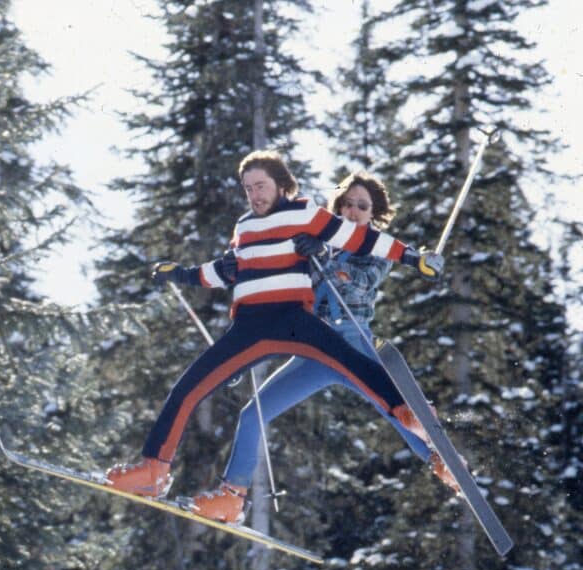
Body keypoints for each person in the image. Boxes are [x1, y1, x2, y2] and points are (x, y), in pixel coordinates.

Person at [103, 150, 446, 524]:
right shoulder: (247, 226)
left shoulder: (307, 216)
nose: (255, 195)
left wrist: (414, 258)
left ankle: (427, 436)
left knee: (362, 369)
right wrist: (184, 274)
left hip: (314, 324)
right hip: (252, 326)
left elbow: (365, 242)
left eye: (261, 186)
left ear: (282, 185)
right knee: (196, 390)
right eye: (248, 188)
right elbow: (225, 268)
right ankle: (168, 475)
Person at [214, 171, 460, 523]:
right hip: (315, 351)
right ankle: (230, 497)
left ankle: (442, 460)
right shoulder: (316, 239)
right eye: (347, 204)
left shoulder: (376, 245)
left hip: (352, 344)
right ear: (337, 207)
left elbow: (362, 282)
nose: (353, 211)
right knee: (252, 414)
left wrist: (328, 260)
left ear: (373, 213)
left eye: (362, 206)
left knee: (396, 411)